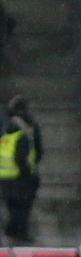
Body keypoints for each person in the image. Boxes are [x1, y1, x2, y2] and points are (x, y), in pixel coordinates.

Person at [0, 95, 43, 244]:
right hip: (22, 177)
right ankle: (19, 234)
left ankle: (12, 233)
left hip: (5, 177)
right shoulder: (26, 129)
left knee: (13, 210)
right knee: (22, 210)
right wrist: (29, 172)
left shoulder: (4, 127)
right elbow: (33, 153)